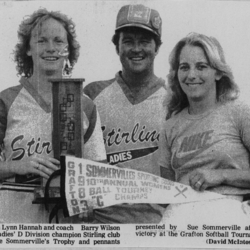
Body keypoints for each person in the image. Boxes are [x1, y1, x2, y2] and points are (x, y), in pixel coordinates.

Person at [0, 8, 106, 223]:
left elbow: (99, 173)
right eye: (41, 41)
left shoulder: (85, 105)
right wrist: (16, 165)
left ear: (68, 49)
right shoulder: (6, 100)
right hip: (15, 223)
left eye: (58, 41)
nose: (50, 48)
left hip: (66, 226)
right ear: (27, 49)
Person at [84, 4, 167, 224]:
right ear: (117, 47)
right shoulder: (92, 94)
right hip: (101, 222)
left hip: (157, 223)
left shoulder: (175, 99)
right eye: (128, 41)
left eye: (145, 41)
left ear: (157, 47)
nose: (136, 49)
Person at [159, 32, 250, 224]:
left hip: (229, 217)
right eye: (184, 67)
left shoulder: (238, 113)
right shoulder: (170, 126)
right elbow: (165, 193)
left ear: (218, 72)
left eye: (201, 67)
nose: (192, 75)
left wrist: (221, 175)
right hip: (180, 218)